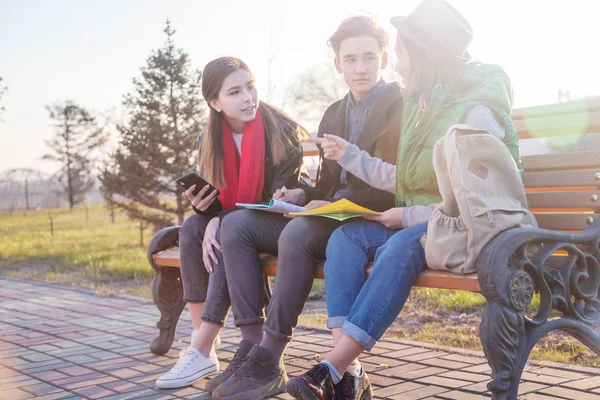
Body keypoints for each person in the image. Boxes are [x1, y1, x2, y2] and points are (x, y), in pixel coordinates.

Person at [286, 1, 523, 399]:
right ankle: (348, 372)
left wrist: (408, 214)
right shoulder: (425, 103)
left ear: (424, 56)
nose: (395, 65)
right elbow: (409, 177)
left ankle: (331, 366)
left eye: (400, 54)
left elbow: (476, 206)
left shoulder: (477, 116)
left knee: (398, 243)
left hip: (474, 231)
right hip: (430, 223)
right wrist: (350, 156)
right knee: (345, 238)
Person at [209, 15, 404, 400]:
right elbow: (327, 184)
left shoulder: (402, 106)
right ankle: (251, 346)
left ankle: (271, 354)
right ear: (338, 65)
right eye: (350, 59)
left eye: (368, 57)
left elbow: (396, 184)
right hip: (327, 216)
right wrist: (300, 197)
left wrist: (324, 204)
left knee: (298, 231)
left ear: (384, 58)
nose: (359, 67)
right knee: (237, 225)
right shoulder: (333, 112)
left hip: (371, 220)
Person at [155, 56, 310, 389]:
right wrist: (205, 210)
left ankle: (202, 344)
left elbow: (271, 204)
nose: (248, 98)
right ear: (215, 102)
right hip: (237, 223)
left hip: (278, 225)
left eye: (250, 87)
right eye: (235, 92)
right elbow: (220, 201)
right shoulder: (209, 140)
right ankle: (204, 343)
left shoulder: (282, 130)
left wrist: (219, 220)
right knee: (193, 229)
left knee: (227, 229)